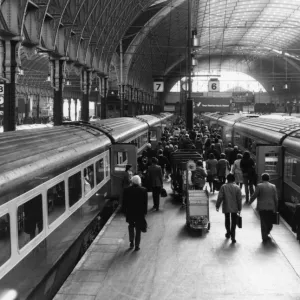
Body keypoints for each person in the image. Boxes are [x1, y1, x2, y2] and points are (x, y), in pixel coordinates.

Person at [249, 173, 278, 242]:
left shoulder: (259, 186)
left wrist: (250, 201)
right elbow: (275, 198)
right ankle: (267, 232)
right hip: (271, 207)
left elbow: (254, 195)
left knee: (263, 222)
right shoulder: (273, 186)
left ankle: (264, 236)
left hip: (262, 207)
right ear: (269, 178)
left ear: (262, 179)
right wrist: (276, 206)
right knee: (270, 222)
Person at [123, 175, 148, 251]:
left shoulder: (126, 190)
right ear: (139, 182)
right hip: (139, 213)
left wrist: (124, 212)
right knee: (138, 229)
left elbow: (124, 203)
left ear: (132, 181)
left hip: (130, 212)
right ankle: (137, 245)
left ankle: (131, 242)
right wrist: (144, 213)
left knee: (131, 226)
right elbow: (145, 203)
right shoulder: (143, 190)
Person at [216, 173, 242, 243]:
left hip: (226, 205)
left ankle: (228, 233)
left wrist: (217, 205)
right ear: (234, 179)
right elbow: (239, 199)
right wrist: (240, 208)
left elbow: (220, 197)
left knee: (227, 219)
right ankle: (233, 236)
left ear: (227, 179)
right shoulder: (237, 187)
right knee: (234, 221)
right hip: (235, 207)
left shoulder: (223, 186)